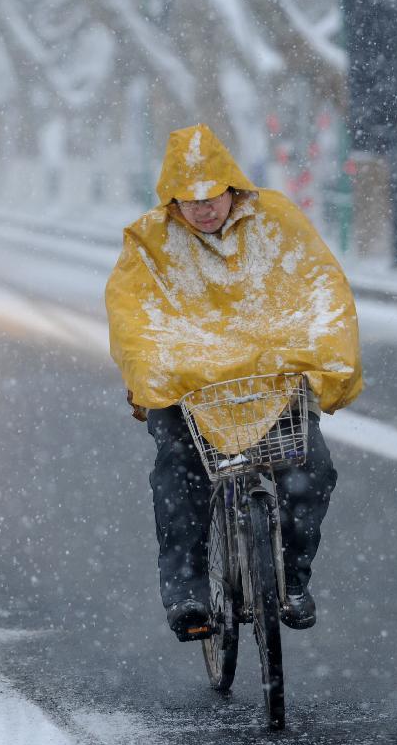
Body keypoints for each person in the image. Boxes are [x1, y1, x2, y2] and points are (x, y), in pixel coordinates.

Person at [105, 124, 362, 641]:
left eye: (211, 196)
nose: (202, 209)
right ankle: (188, 592)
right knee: (179, 476)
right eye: (189, 199)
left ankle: (293, 582)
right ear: (172, 198)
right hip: (188, 391)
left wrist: (323, 353)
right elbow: (132, 314)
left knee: (311, 473)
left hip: (271, 384)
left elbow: (320, 287)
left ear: (231, 187)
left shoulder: (277, 221)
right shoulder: (150, 242)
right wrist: (152, 370)